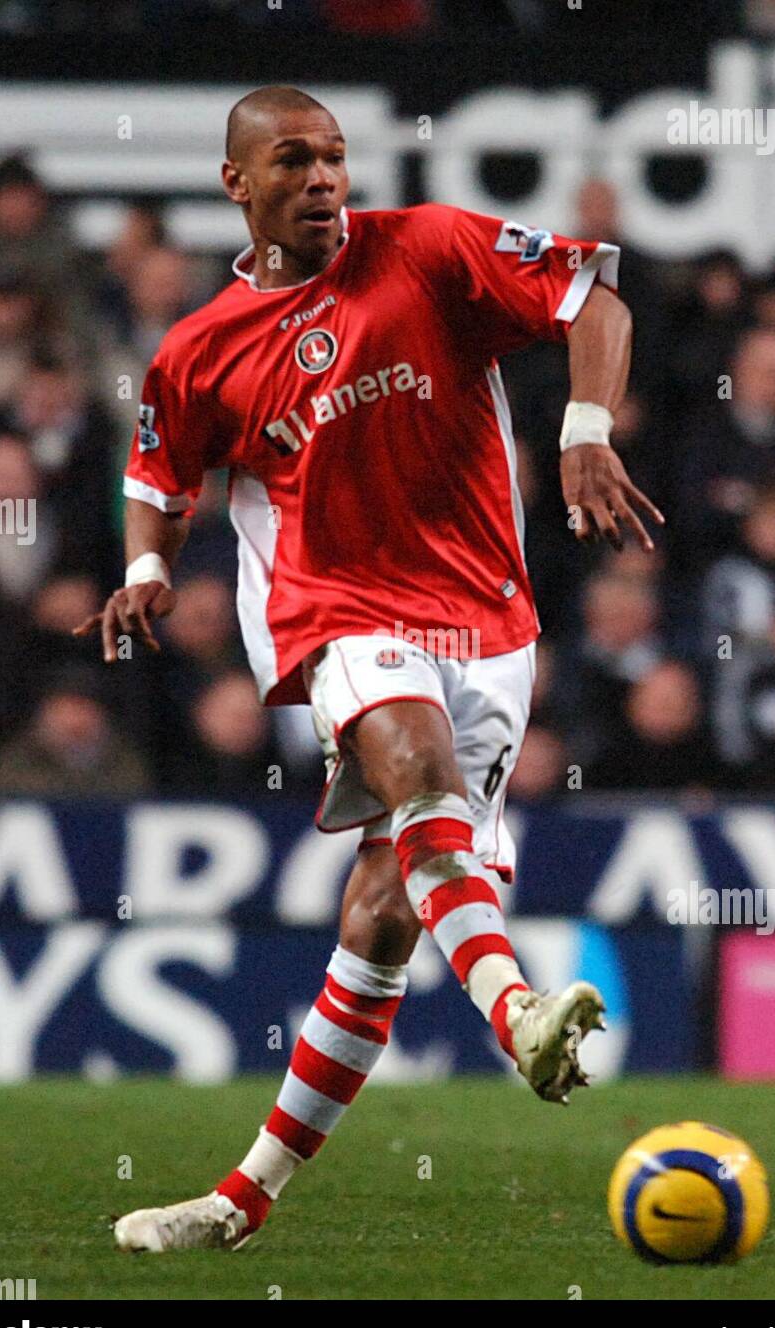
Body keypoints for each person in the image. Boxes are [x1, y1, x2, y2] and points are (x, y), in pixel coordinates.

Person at [74, 85, 662, 1253]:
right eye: (292, 159)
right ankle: (517, 1010)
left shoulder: (434, 249)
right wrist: (146, 566)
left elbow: (595, 303)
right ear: (238, 183)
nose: (324, 176)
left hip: (489, 618)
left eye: (336, 156)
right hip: (335, 610)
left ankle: (240, 1200)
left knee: (389, 906)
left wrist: (584, 427)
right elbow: (157, 484)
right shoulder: (196, 352)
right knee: (414, 766)